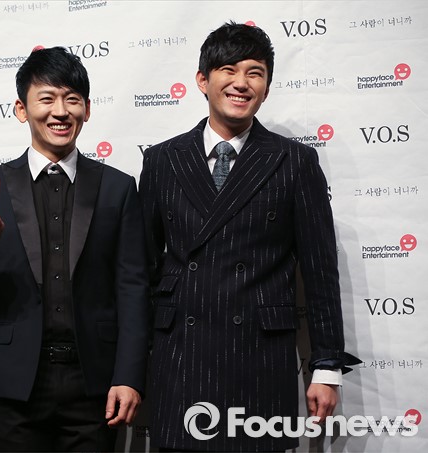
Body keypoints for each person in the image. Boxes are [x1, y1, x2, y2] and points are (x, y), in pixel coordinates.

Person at [138, 22, 360, 452]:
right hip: (180, 356)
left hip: (259, 359)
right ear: (202, 80)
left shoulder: (294, 161)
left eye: (254, 73)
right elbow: (141, 269)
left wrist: (327, 366)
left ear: (267, 88)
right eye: (228, 69)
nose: (241, 83)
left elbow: (320, 271)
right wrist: (131, 367)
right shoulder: (163, 159)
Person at [0, 46, 150, 452]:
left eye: (72, 99)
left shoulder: (117, 188)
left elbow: (133, 288)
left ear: (87, 110)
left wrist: (129, 376)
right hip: (16, 381)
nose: (60, 112)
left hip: (95, 382)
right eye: (46, 98)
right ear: (21, 109)